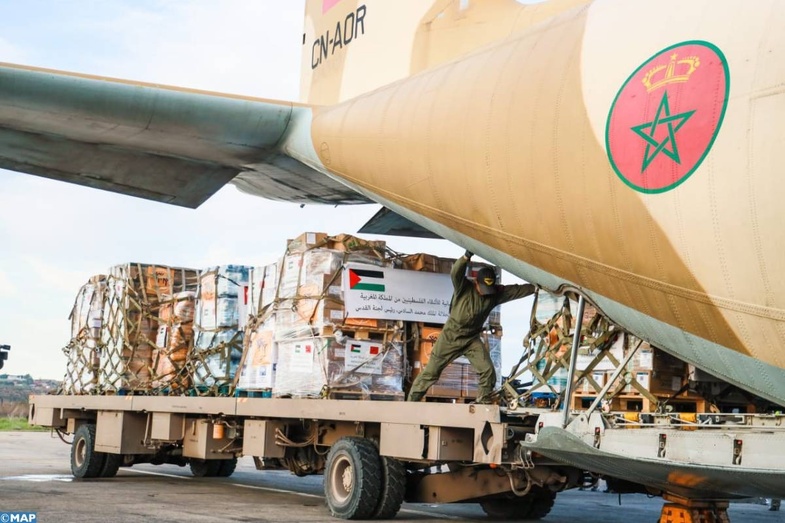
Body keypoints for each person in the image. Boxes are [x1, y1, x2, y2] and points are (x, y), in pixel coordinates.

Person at [407, 250, 536, 404]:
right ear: (476, 282)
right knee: (431, 373)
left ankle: (483, 404)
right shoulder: (463, 288)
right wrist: (466, 257)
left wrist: (536, 287)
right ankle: (410, 404)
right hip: (450, 338)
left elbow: (516, 291)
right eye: (482, 288)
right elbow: (456, 272)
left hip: (471, 340)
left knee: (487, 371)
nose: (484, 292)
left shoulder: (494, 294)